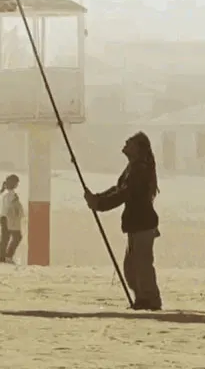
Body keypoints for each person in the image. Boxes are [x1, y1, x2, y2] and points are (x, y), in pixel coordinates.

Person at [86, 132, 162, 310]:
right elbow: (119, 189)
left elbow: (124, 193)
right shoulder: (133, 167)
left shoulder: (139, 169)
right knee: (131, 266)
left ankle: (150, 300)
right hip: (137, 224)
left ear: (138, 148)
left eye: (130, 143)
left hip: (143, 224)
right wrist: (97, 199)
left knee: (141, 264)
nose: (125, 144)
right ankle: (142, 298)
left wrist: (99, 204)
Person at [0, 174, 25, 264]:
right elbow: (11, 208)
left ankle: (3, 258)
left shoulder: (7, 193)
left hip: (5, 217)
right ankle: (7, 257)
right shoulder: (10, 194)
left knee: (6, 238)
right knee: (15, 237)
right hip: (8, 218)